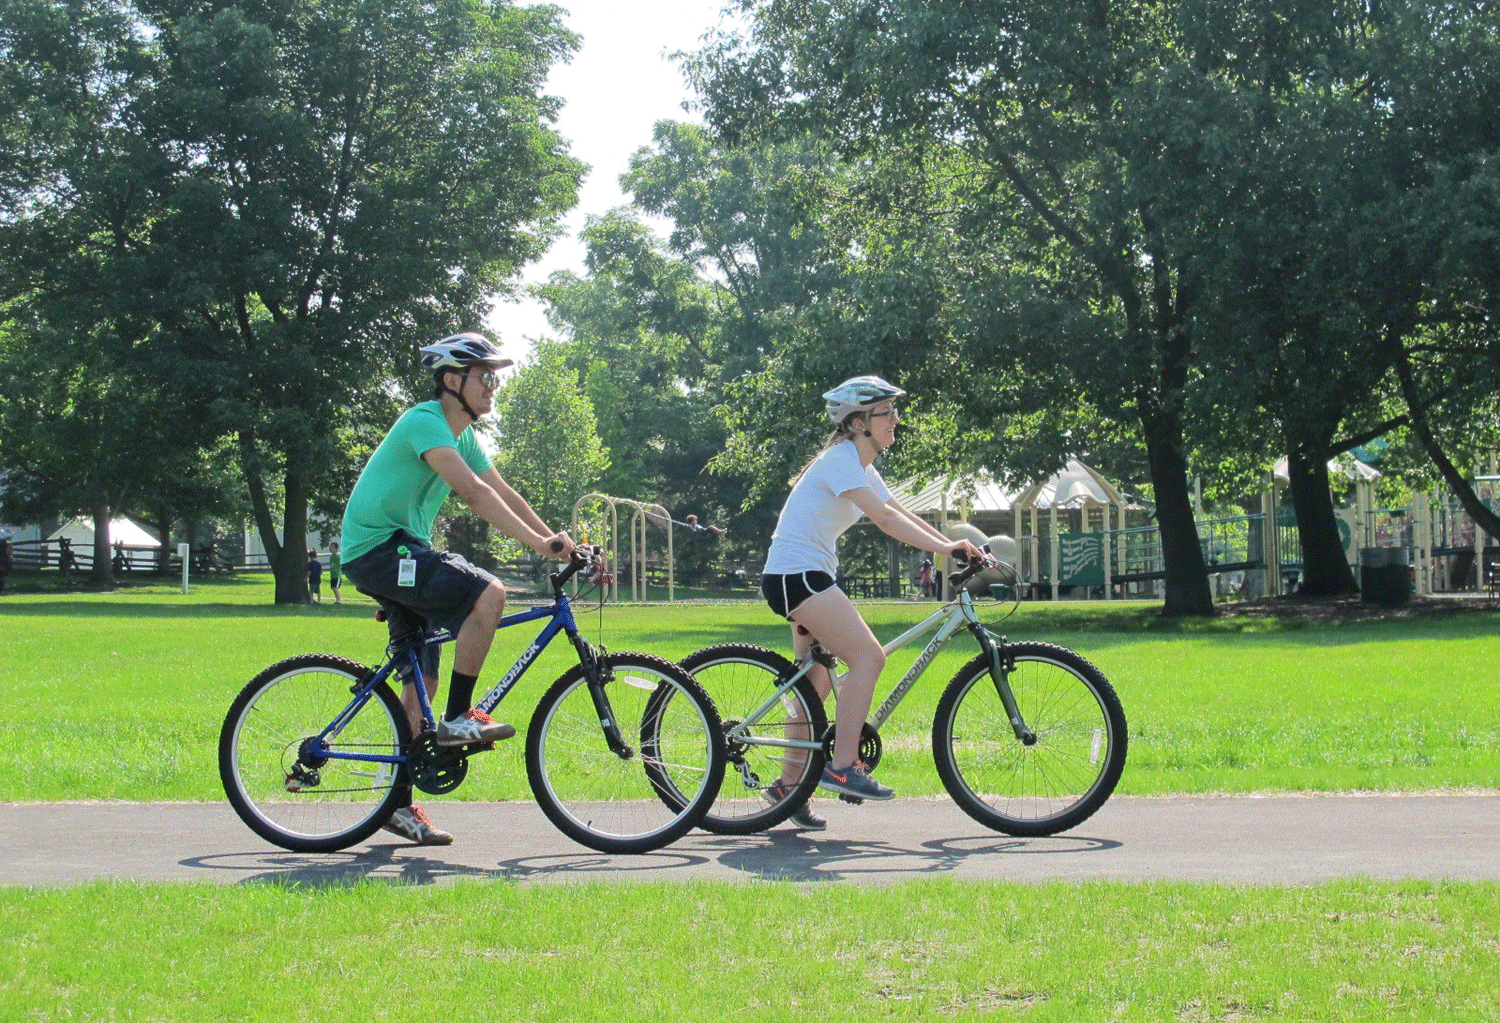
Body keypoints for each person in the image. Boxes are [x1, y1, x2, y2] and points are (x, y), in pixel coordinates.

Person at [339, 331, 575, 845]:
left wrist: (555, 539)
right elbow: (473, 493)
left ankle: (396, 806)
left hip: (399, 553)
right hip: (382, 550)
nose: (493, 387)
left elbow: (501, 489)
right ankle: (458, 720)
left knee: (417, 685)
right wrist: (539, 545)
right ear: (452, 380)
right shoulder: (425, 421)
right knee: (488, 593)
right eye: (484, 377)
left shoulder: (463, 434)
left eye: (495, 378)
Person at [759, 375, 982, 826]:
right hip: (799, 577)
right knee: (868, 658)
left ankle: (787, 788)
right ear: (859, 422)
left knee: (814, 686)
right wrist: (944, 551)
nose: (896, 420)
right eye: (887, 413)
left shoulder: (860, 466)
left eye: (895, 412)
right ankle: (842, 767)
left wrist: (955, 543)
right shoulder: (840, 459)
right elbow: (882, 519)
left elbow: (897, 509)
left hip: (798, 576)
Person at [327, 540, 343, 604]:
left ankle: (339, 600)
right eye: (330, 547)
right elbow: (331, 565)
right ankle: (337, 600)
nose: (330, 548)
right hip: (333, 575)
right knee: (333, 588)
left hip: (337, 575)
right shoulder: (331, 557)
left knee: (335, 588)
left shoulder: (338, 557)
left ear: (336, 549)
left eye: (332, 547)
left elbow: (341, 564)